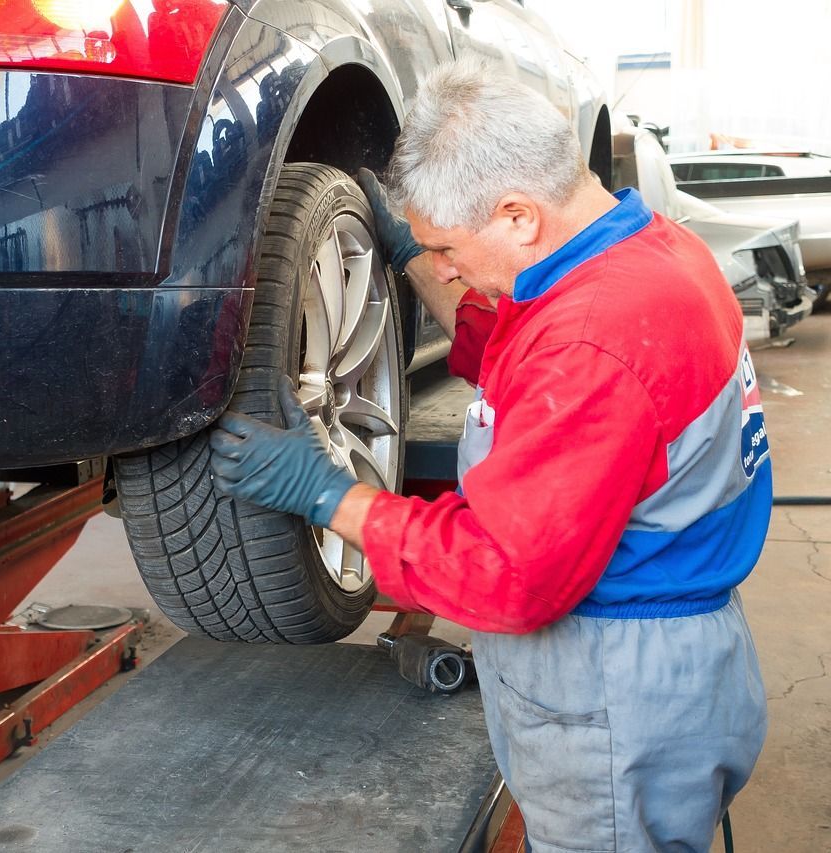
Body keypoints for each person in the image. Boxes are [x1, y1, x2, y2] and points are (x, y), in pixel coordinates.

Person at [208, 62, 768, 853]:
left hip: (618, 695)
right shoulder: (650, 253)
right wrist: (407, 253)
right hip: (675, 659)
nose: (441, 267)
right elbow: (518, 346)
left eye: (445, 247)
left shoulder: (594, 341)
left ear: (517, 216)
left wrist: (330, 495)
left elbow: (507, 572)